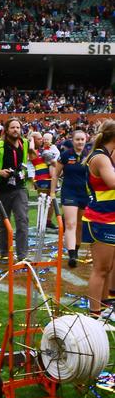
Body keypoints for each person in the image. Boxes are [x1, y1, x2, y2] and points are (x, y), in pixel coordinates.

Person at [0, 119, 30, 262]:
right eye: (12, 127)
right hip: (2, 190)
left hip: (19, 188)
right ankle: (4, 253)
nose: (15, 130)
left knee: (22, 220)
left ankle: (22, 255)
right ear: (6, 130)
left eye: (18, 127)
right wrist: (0, 172)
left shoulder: (24, 143)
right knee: (4, 223)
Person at [82, 120, 115, 317]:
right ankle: (94, 314)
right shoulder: (101, 158)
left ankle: (104, 305)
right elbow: (112, 183)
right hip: (100, 219)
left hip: (108, 217)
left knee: (108, 267)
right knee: (100, 269)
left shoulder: (107, 156)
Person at [50, 128, 89, 267]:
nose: (79, 142)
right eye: (77, 139)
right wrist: (52, 192)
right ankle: (72, 255)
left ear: (86, 140)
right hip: (69, 192)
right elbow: (55, 174)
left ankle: (76, 250)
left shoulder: (90, 155)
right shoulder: (66, 155)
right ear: (72, 141)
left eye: (82, 139)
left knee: (80, 224)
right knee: (70, 224)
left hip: (85, 194)